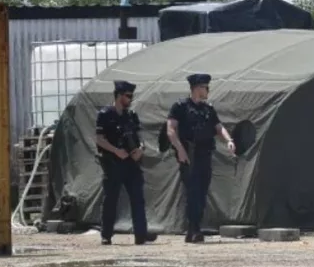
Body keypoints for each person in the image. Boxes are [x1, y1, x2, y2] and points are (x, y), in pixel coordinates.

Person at [166, 73, 236, 243]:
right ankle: (193, 228)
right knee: (193, 192)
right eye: (205, 87)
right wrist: (180, 150)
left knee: (202, 192)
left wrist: (229, 140)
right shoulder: (180, 106)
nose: (207, 90)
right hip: (189, 154)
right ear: (196, 88)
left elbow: (218, 127)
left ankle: (195, 228)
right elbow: (171, 130)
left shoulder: (208, 109)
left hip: (205, 154)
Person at [94, 80, 156, 246]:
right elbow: (99, 139)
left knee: (138, 199)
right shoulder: (106, 114)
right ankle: (106, 234)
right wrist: (115, 150)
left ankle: (140, 235)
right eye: (128, 96)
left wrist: (141, 149)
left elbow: (139, 136)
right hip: (113, 162)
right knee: (111, 200)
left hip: (131, 163)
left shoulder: (131, 115)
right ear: (119, 96)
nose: (130, 99)